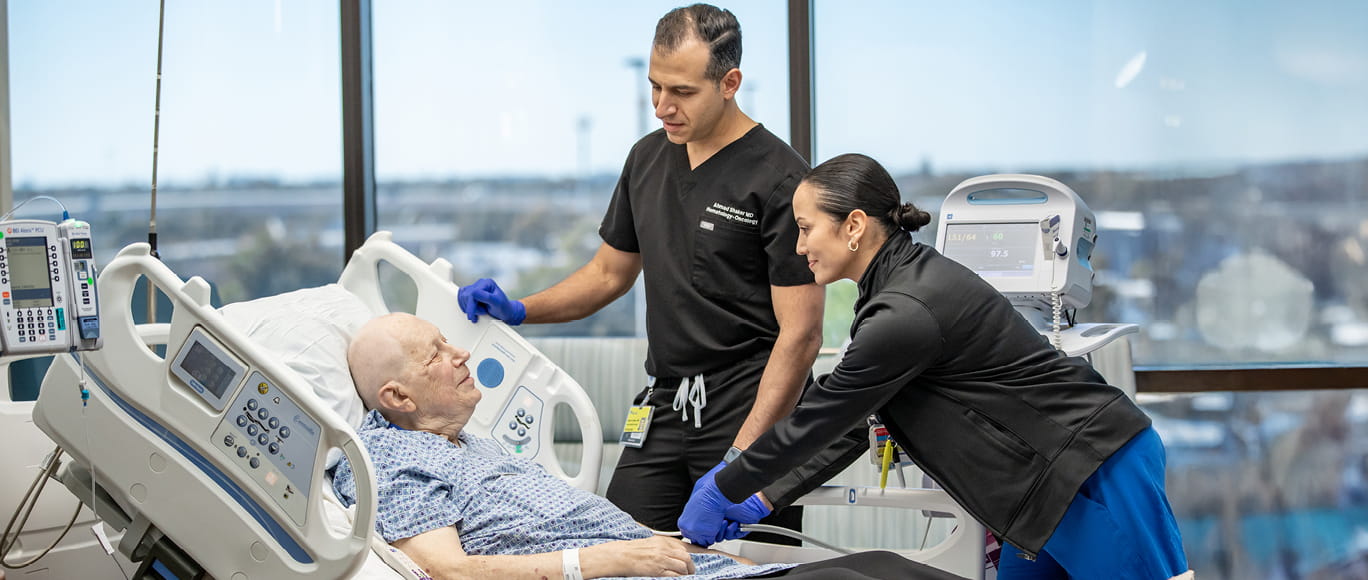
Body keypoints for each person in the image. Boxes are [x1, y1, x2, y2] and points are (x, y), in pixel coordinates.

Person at [677, 154, 1192, 580]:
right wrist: (764, 497)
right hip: (1036, 494)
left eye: (807, 228)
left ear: (854, 225)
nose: (799, 245)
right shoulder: (892, 294)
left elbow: (821, 419)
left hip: (1092, 472)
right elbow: (859, 421)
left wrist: (727, 487)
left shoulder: (907, 310)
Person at [455, 4, 856, 541]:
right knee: (617, 550)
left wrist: (742, 456)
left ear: (730, 82)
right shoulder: (646, 158)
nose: (663, 107)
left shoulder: (780, 178)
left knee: (739, 569)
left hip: (748, 400)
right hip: (666, 403)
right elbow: (606, 273)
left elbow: (802, 335)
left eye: (683, 92)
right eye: (654, 86)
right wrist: (522, 309)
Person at [330, 312, 966, 580]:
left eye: (449, 340)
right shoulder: (395, 459)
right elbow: (452, 571)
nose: (461, 353)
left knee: (885, 567)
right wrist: (605, 561)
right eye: (436, 355)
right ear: (399, 398)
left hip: (698, 572)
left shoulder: (467, 440)